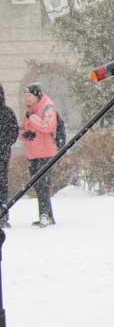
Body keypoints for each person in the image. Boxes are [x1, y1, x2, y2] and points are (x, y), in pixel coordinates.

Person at [19, 83, 57, 228]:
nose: (27, 99)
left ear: (37, 95)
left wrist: (33, 118)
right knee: (38, 186)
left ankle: (45, 216)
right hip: (32, 153)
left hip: (45, 152)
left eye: (29, 96)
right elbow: (22, 129)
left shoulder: (47, 107)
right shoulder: (29, 111)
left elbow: (48, 126)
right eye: (25, 96)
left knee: (42, 185)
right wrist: (25, 135)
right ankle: (47, 215)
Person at [0, 84, 19, 229]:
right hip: (4, 153)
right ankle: (3, 214)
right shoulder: (8, 112)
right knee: (2, 185)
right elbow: (14, 134)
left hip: (3, 153)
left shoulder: (6, 113)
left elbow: (13, 134)